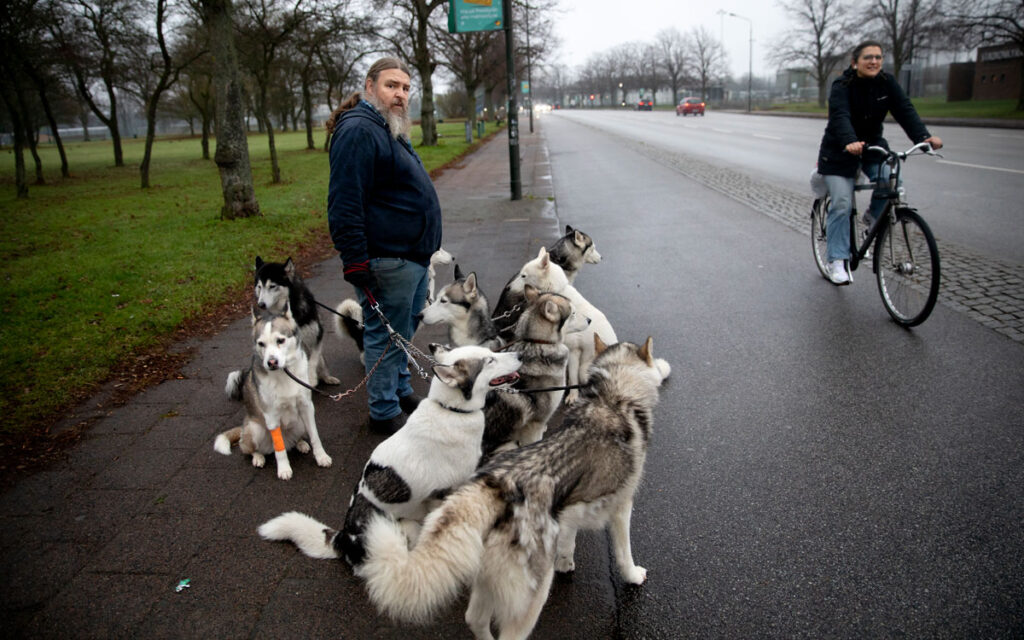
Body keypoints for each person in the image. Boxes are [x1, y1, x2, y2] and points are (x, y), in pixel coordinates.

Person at [326, 57, 442, 433]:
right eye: (392, 85)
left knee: (402, 333)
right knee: (382, 335)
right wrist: (355, 260)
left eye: (406, 88)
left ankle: (400, 389)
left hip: (410, 256)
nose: (401, 95)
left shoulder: (385, 127)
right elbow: (345, 202)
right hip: (387, 257)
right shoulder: (359, 129)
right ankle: (382, 411)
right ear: (370, 86)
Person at [816, 40, 943, 285]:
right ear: (855, 62)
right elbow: (839, 116)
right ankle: (837, 260)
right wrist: (850, 140)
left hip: (872, 145)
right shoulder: (842, 85)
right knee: (841, 202)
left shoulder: (887, 83)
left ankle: (872, 221)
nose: (874, 61)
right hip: (839, 150)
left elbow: (905, 110)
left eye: (878, 57)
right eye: (868, 57)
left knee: (892, 179)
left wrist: (923, 137)